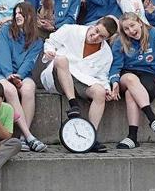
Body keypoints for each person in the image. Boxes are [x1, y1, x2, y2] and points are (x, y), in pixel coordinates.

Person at [40, 18, 119, 152]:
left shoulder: (106, 54)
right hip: (59, 75)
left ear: (107, 38)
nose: (95, 37)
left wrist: (107, 89)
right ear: (94, 25)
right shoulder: (70, 29)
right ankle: (73, 105)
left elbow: (102, 76)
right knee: (62, 59)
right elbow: (50, 41)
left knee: (99, 92)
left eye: (102, 37)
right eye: (96, 31)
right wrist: (49, 51)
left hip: (82, 81)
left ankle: (91, 137)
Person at [109, 14, 155, 150]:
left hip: (149, 75)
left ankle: (132, 137)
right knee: (130, 79)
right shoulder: (120, 41)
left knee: (130, 94)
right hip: (127, 75)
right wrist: (114, 81)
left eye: (132, 25)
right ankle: (152, 118)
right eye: (126, 29)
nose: (131, 31)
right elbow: (116, 66)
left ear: (140, 22)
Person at [0, 4, 47, 152]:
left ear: (30, 16)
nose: (17, 16)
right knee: (10, 91)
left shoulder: (37, 41)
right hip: (1, 72)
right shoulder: (5, 31)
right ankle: (30, 137)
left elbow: (30, 61)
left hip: (21, 74)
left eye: (21, 13)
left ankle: (23, 137)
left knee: (29, 89)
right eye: (16, 13)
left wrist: (19, 76)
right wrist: (9, 75)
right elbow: (2, 55)